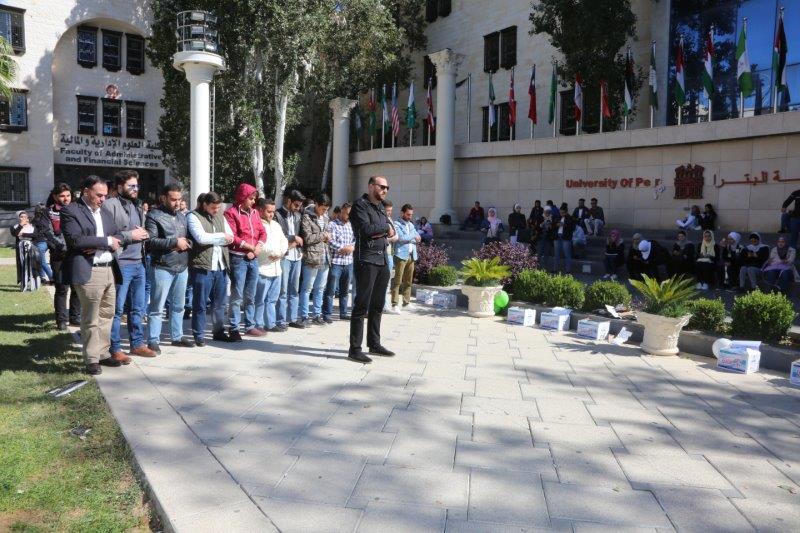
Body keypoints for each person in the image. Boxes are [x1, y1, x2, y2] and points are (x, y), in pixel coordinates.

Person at [61, 176, 125, 375]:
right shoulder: (71, 210)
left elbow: (119, 235)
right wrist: (105, 241)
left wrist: (97, 243)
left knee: (107, 314)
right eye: (99, 195)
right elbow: (75, 240)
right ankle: (91, 359)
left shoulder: (104, 212)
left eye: (105, 195)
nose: (102, 199)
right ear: (86, 191)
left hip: (109, 269)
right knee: (91, 318)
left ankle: (103, 353)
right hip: (90, 271)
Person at [102, 170, 154, 359]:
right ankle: (115, 348)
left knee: (138, 308)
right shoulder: (109, 205)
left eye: (136, 186)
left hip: (139, 263)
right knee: (116, 309)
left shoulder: (137, 205)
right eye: (131, 186)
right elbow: (107, 235)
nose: (135, 189)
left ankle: (137, 344)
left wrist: (145, 233)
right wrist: (130, 236)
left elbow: (138, 231)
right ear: (119, 187)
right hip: (121, 264)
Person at [349, 176, 396, 363]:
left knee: (378, 305)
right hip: (366, 259)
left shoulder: (381, 207)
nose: (385, 190)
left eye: (387, 187)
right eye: (381, 186)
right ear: (371, 186)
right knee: (361, 306)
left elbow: (387, 230)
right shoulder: (360, 205)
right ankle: (355, 349)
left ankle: (374, 344)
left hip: (382, 259)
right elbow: (366, 230)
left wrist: (384, 228)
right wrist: (385, 228)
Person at [145, 183, 194, 353]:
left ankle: (177, 336)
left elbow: (186, 237)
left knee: (179, 306)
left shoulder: (182, 216)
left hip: (181, 266)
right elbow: (150, 241)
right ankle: (153, 340)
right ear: (164, 198)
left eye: (179, 199)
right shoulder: (154, 215)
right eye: (173, 199)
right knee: (157, 307)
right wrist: (174, 242)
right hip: (162, 266)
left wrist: (187, 243)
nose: (177, 203)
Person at [188, 192, 235, 344]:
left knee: (220, 303)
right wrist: (221, 236)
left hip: (220, 266)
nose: (216, 211)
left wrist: (217, 238)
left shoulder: (220, 216)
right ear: (204, 205)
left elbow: (231, 237)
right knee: (200, 303)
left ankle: (218, 331)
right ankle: (199, 334)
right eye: (213, 207)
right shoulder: (193, 216)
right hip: (202, 267)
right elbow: (201, 238)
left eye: (218, 207)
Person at [225, 183, 267, 340]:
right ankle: (234, 328)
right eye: (251, 198)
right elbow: (232, 236)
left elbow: (262, 232)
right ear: (242, 197)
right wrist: (249, 246)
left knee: (251, 294)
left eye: (254, 198)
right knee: (237, 295)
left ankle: (250, 325)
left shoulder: (255, 213)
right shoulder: (231, 213)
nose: (253, 201)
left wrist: (258, 247)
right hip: (238, 258)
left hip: (253, 258)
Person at [38, 183, 82, 329]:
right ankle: (61, 321)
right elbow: (47, 232)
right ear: (55, 196)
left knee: (77, 287)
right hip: (59, 255)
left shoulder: (78, 210)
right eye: (62, 196)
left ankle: (75, 317)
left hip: (77, 254)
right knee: (62, 288)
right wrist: (62, 246)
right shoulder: (48, 212)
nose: (66, 199)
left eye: (68, 195)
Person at [255, 198, 288, 332]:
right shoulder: (257, 224)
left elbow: (284, 241)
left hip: (276, 268)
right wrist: (274, 252)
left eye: (273, 211)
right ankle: (258, 324)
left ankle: (271, 323)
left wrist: (280, 253)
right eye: (269, 211)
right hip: (263, 267)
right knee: (260, 299)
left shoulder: (275, 225)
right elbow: (260, 244)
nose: (271, 214)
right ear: (261, 210)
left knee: (272, 299)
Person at [299, 193, 332, 325]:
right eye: (323, 208)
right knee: (307, 287)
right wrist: (323, 235)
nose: (324, 212)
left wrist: (327, 237)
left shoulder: (326, 218)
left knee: (320, 288)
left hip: (325, 256)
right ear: (316, 205)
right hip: (312, 257)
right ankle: (304, 315)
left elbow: (325, 236)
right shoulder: (307, 217)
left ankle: (317, 315)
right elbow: (307, 238)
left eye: (326, 209)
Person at [276, 190, 305, 329]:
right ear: (288, 201)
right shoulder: (277, 215)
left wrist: (298, 245)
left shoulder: (298, 215)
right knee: (283, 289)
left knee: (294, 289)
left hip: (297, 256)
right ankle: (280, 320)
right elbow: (278, 235)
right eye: (296, 204)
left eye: (299, 205)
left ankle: (292, 318)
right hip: (285, 255)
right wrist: (293, 239)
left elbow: (302, 234)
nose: (298, 207)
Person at [323, 201, 355, 322]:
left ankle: (343, 313)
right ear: (342, 211)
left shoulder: (352, 225)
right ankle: (327, 314)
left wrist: (351, 247)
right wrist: (342, 248)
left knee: (345, 290)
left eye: (350, 214)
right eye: (346, 214)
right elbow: (329, 241)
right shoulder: (332, 225)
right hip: (336, 262)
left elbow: (355, 239)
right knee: (331, 290)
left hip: (348, 262)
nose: (348, 216)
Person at [389, 203, 421, 314]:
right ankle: (394, 304)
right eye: (408, 214)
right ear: (402, 213)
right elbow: (401, 238)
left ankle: (406, 303)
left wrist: (412, 236)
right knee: (397, 281)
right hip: (400, 255)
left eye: (411, 214)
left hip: (411, 255)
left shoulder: (411, 225)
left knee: (408, 281)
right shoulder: (397, 224)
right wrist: (413, 236)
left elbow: (418, 238)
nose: (410, 216)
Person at [11, 210, 39, 291]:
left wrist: (23, 234)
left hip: (31, 247)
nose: (24, 218)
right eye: (21, 217)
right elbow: (15, 234)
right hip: (20, 247)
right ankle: (24, 284)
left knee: (32, 265)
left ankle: (33, 285)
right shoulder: (15, 226)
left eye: (25, 217)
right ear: (18, 218)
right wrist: (21, 225)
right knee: (23, 265)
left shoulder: (32, 226)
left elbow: (35, 235)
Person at [31, 204, 54, 284]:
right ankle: (42, 278)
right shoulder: (34, 219)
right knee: (39, 261)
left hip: (42, 242)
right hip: (36, 242)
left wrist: (37, 233)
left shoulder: (43, 219)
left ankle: (52, 278)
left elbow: (46, 228)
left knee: (42, 261)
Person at [554, 206, 575, 273]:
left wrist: (563, 224)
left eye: (563, 213)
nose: (561, 214)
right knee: (556, 254)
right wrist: (557, 224)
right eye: (560, 212)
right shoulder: (558, 217)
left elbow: (572, 227)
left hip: (565, 238)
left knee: (567, 254)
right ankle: (555, 269)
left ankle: (568, 270)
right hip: (558, 236)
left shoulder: (570, 218)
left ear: (566, 212)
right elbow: (554, 224)